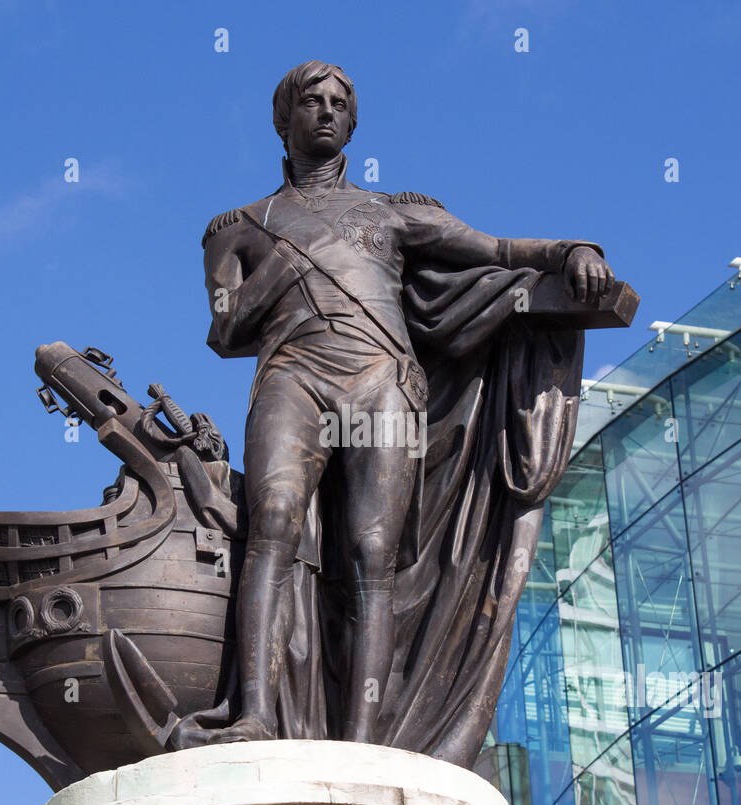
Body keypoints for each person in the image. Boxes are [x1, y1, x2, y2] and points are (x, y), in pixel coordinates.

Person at [202, 60, 612, 749]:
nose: (327, 111)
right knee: (272, 516)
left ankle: (365, 738)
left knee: (371, 550)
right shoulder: (235, 228)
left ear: (354, 126)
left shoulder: (392, 213)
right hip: (293, 374)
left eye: (340, 103)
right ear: (284, 120)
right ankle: (253, 714)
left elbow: (502, 248)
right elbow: (224, 327)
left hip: (379, 379)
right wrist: (289, 257)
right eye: (312, 101)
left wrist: (575, 249)